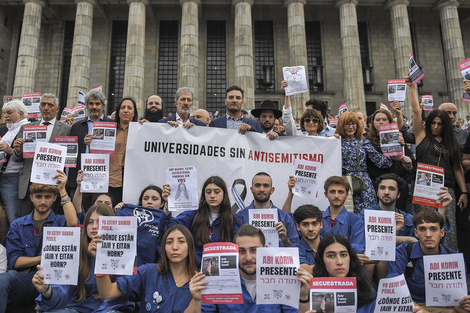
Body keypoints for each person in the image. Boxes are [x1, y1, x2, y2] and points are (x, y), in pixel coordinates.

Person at [185, 224, 313, 313]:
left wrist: (303, 296)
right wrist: (196, 300)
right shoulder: (217, 282)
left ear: (265, 250)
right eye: (241, 251)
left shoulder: (282, 280)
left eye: (254, 250)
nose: (248, 257)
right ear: (234, 253)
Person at [0, 172, 78, 313]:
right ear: (31, 198)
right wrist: (44, 258)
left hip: (56, 279)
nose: (43, 201)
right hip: (27, 279)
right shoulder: (18, 224)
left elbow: (73, 224)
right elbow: (15, 261)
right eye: (38, 197)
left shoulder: (60, 221)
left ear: (54, 198)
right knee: (4, 278)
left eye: (47, 197)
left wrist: (62, 190)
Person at [32, 204, 131, 313]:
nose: (94, 226)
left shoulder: (124, 252)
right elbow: (64, 291)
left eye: (100, 222)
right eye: (90, 222)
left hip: (112, 308)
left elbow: (125, 291)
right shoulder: (76, 250)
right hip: (80, 307)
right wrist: (46, 290)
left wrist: (101, 259)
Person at [408, 74, 467, 251]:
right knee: (425, 229)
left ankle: (447, 263)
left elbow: (457, 168)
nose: (435, 126)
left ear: (445, 126)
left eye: (440, 124)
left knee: (447, 231)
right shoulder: (421, 138)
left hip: (445, 191)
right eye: (433, 123)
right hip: (424, 189)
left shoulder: (451, 143)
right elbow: (416, 112)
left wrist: (463, 192)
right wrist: (412, 87)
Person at [96, 225, 198, 313]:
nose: (175, 247)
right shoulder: (149, 272)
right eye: (169, 242)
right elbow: (107, 292)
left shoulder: (198, 282)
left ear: (190, 247)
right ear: (163, 247)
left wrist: (196, 299)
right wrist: (101, 260)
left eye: (181, 241)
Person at [387, 207, 470, 312]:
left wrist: (462, 304)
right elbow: (394, 289)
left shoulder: (454, 257)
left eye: (433, 229)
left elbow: (461, 296)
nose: (428, 234)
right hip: (413, 306)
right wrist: (419, 309)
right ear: (416, 233)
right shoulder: (403, 252)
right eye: (422, 229)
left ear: (442, 233)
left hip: (446, 307)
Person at [12, 93, 72, 214]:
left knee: (51, 223)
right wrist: (18, 150)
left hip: (53, 184)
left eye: (50, 105)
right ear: (39, 107)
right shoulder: (26, 128)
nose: (46, 108)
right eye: (43, 104)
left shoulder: (67, 129)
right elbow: (16, 158)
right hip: (29, 184)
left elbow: (70, 156)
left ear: (57, 109)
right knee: (25, 222)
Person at [161, 176, 240, 263]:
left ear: (224, 194)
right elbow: (168, 229)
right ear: (203, 194)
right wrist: (168, 205)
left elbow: (238, 247)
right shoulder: (193, 215)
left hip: (223, 271)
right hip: (194, 271)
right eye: (208, 192)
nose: (212, 196)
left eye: (217, 192)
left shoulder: (233, 220)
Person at [335, 111, 392, 213]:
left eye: (353, 124)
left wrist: (393, 146)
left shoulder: (363, 142)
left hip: (362, 183)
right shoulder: (335, 142)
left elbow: (383, 162)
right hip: (343, 183)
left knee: (367, 214)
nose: (351, 127)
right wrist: (328, 141)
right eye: (347, 124)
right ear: (341, 126)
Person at [66, 90, 113, 209]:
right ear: (87, 106)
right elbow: (71, 153)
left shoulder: (112, 124)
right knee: (79, 213)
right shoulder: (77, 126)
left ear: (103, 105)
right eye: (91, 104)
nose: (94, 107)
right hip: (81, 178)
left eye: (98, 104)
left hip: (103, 178)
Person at [366, 107, 414, 210]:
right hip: (377, 185)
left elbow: (409, 161)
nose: (381, 122)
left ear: (389, 121)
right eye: (378, 120)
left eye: (384, 119)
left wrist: (408, 163)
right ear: (372, 123)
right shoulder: (367, 141)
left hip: (397, 184)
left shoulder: (399, 138)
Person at [235, 172, 298, 247]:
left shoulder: (285, 218)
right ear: (251, 189)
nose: (261, 189)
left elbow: (296, 252)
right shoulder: (240, 217)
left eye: (266, 186)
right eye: (257, 185)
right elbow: (233, 248)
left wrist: (286, 240)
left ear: (272, 190)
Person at [114, 185, 166, 265]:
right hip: (126, 264)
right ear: (141, 201)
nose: (149, 201)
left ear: (162, 203)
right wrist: (117, 211)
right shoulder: (128, 213)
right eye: (145, 198)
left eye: (154, 199)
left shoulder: (166, 220)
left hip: (152, 268)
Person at [0, 99, 29, 224]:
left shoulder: (28, 129)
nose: (5, 116)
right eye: (4, 113)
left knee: (13, 216)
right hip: (4, 176)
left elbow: (29, 154)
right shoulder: (9, 130)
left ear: (20, 114)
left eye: (9, 113)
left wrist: (10, 150)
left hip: (14, 177)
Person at [320, 176, 365, 254]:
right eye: (332, 192)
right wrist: (291, 195)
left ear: (347, 195)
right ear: (326, 194)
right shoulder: (317, 217)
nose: (336, 196)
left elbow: (358, 247)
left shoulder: (356, 220)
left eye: (341, 192)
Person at [107, 97, 138, 204]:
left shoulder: (142, 130)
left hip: (133, 180)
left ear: (134, 113)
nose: (125, 110)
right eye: (122, 107)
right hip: (110, 180)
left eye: (129, 108)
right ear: (118, 111)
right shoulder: (108, 130)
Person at [291, 204, 323, 272]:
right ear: (298, 227)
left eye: (314, 224)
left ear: (321, 224)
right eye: (305, 224)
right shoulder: (294, 250)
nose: (310, 229)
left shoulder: (332, 245)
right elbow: (304, 269)